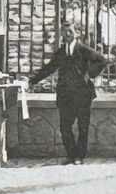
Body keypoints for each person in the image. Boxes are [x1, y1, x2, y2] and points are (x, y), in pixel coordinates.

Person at [29, 23, 106, 165]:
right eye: (64, 32)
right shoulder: (60, 53)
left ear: (76, 33)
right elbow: (49, 68)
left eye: (70, 31)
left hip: (83, 95)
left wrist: (90, 74)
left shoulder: (83, 50)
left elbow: (102, 60)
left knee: (83, 127)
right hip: (66, 96)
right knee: (65, 126)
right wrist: (32, 81)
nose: (67, 34)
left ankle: (79, 157)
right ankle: (71, 155)